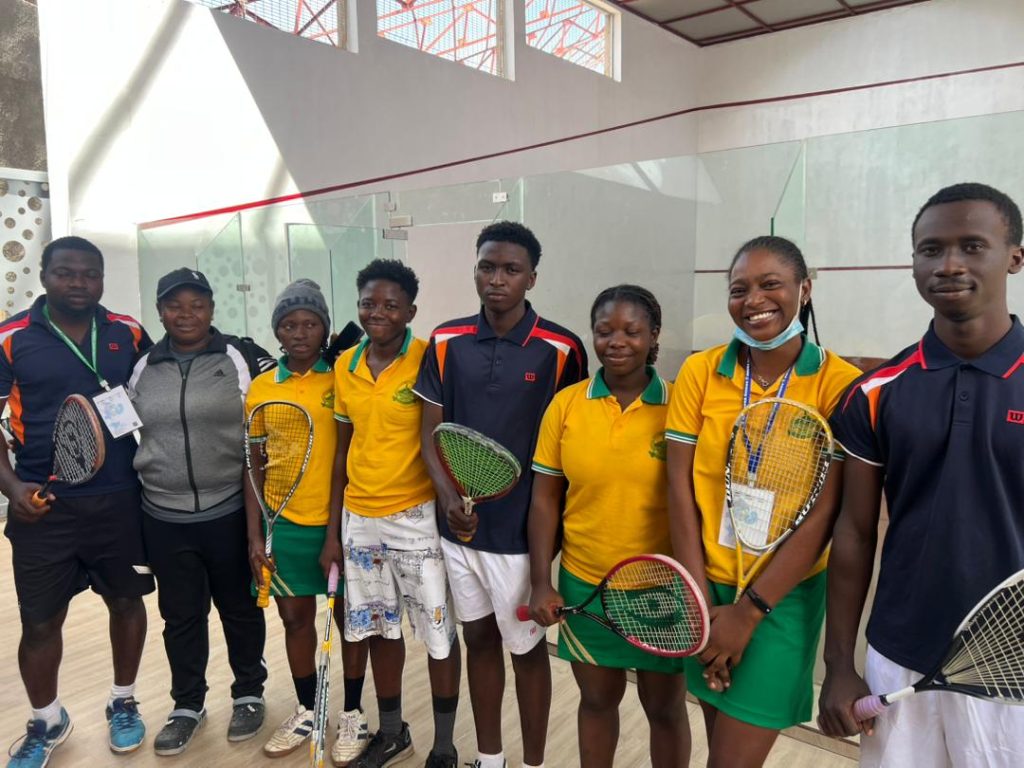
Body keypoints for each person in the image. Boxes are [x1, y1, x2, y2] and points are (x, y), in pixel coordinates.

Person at [818, 183, 1024, 767]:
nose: (949, 264)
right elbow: (854, 533)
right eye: (931, 249)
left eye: (972, 246)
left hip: (1012, 670)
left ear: (1014, 257)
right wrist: (838, 664)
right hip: (899, 656)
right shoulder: (875, 392)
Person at [665, 236, 860, 767]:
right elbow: (678, 487)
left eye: (770, 284)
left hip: (782, 598)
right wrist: (700, 601)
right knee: (718, 739)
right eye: (739, 289)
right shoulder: (701, 372)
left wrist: (748, 613)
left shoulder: (840, 384)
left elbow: (826, 514)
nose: (753, 300)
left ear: (805, 289)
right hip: (705, 587)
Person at [415, 221, 587, 768]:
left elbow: (567, 448)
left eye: (511, 269)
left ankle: (532, 764)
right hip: (458, 532)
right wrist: (448, 499)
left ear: (531, 278)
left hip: (520, 537)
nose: (497, 279)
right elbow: (430, 430)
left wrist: (546, 555)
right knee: (479, 642)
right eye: (487, 267)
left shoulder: (562, 349)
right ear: (475, 270)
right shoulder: (445, 340)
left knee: (527, 651)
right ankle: (490, 759)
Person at [1, 236, 155, 767]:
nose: (78, 282)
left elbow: (162, 387)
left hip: (120, 501)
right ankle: (47, 721)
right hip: (43, 506)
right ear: (44, 275)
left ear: (102, 280)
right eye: (65, 272)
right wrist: (12, 488)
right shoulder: (11, 337)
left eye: (90, 274)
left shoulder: (127, 332)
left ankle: (123, 701)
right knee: (40, 623)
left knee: (126, 603)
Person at [527, 285, 689, 767]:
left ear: (654, 335)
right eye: (604, 331)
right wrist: (542, 581)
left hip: (661, 590)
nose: (616, 341)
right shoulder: (566, 405)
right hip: (585, 584)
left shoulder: (679, 405)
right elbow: (544, 499)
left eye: (631, 331)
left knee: (664, 709)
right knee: (597, 701)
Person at [128, 267, 273, 755]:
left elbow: (265, 426)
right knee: (181, 617)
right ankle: (187, 705)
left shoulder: (238, 357)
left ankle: (249, 693)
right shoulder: (143, 366)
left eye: (196, 305)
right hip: (163, 516)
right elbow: (126, 429)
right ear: (160, 311)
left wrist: (258, 523)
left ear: (212, 309)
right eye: (174, 305)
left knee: (239, 610)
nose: (185, 314)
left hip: (228, 510)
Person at [329, 260, 461, 768]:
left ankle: (444, 746)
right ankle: (391, 733)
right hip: (360, 519)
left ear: (410, 311)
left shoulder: (429, 359)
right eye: (368, 304)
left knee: (438, 634)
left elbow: (440, 441)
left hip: (416, 518)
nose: (377, 313)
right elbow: (343, 451)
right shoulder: (346, 365)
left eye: (390, 305)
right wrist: (334, 531)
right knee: (380, 631)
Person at [243, 279, 370, 762]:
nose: (300, 333)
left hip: (340, 524)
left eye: (311, 324)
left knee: (348, 622)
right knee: (295, 620)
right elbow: (252, 465)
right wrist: (256, 536)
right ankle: (307, 710)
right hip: (284, 526)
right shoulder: (261, 388)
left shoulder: (342, 379)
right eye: (289, 325)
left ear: (325, 329)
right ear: (277, 331)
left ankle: (352, 714)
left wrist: (334, 532)